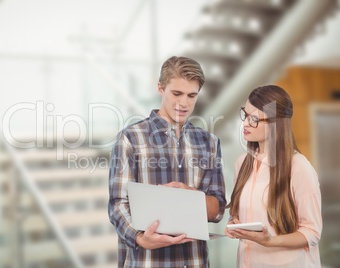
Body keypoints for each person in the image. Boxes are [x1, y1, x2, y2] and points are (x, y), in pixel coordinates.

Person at [108, 56, 226, 267]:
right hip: (148, 261)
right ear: (160, 88)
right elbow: (118, 204)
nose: (184, 103)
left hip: (194, 261)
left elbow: (217, 209)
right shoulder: (131, 138)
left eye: (192, 95)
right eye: (176, 93)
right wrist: (140, 237)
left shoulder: (209, 142)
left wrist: (191, 194)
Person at [225, 85, 322, 268]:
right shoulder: (242, 164)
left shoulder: (299, 168)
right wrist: (235, 223)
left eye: (254, 119)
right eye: (245, 115)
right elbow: (240, 213)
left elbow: (312, 232)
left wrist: (269, 241)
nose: (245, 124)